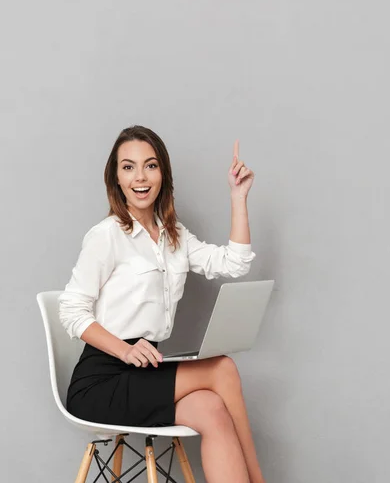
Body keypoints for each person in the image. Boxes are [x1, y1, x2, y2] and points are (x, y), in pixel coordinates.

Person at [59, 125, 265, 483]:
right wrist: (123, 350)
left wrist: (238, 197)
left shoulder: (174, 235)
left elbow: (234, 263)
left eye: (150, 165)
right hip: (101, 380)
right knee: (222, 370)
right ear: (116, 178)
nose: (140, 176)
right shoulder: (107, 236)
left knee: (212, 408)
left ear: (163, 174)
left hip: (145, 371)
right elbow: (72, 311)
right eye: (128, 167)